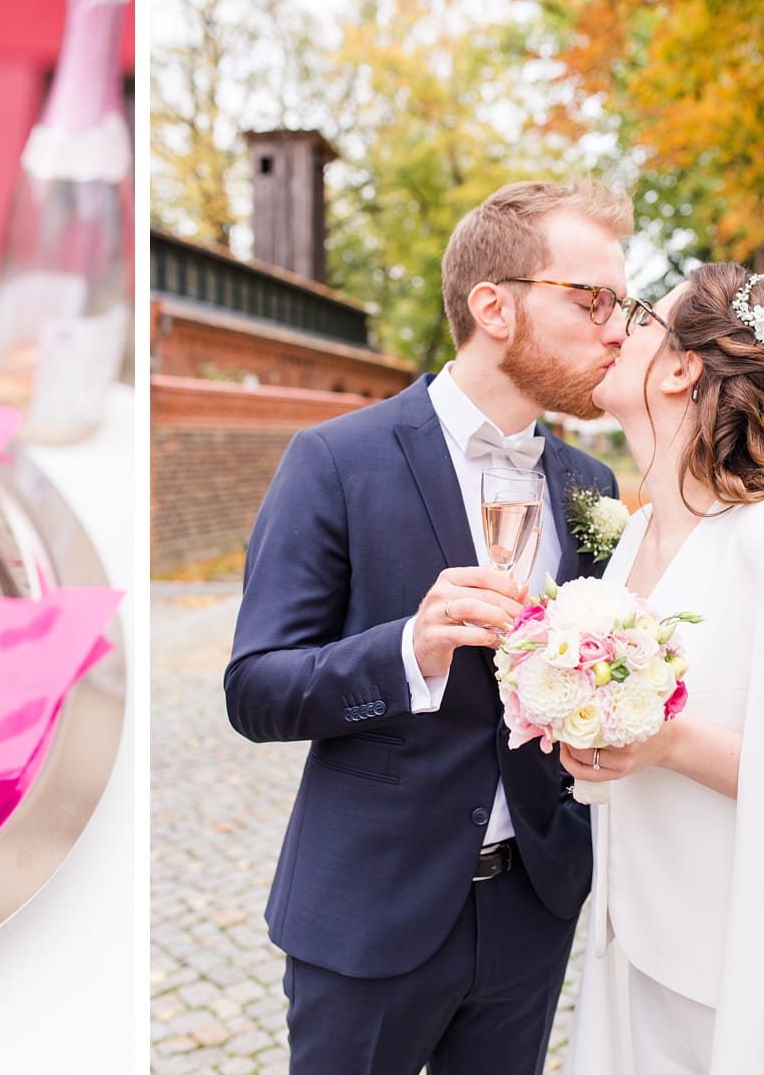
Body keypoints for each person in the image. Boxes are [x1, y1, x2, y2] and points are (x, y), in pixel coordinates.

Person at [225, 180, 630, 1074]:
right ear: (494, 305)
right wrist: (410, 648)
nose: (615, 328)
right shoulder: (334, 459)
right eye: (592, 299)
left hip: (531, 907)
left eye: (623, 305)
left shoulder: (590, 487)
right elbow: (254, 687)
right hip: (370, 909)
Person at [561, 264, 764, 1074]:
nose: (615, 331)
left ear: (682, 367)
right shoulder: (634, 542)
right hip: (628, 948)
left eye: (640, 317)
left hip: (744, 970)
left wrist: (669, 741)